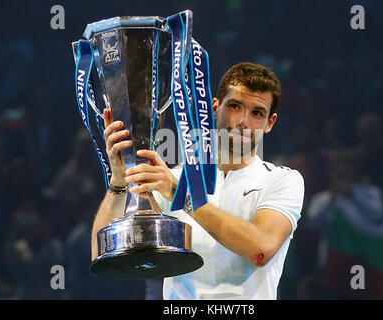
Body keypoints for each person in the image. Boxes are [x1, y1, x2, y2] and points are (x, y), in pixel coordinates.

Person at [91, 62, 305, 300]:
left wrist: (179, 194)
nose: (244, 121)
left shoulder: (282, 180)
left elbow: (260, 250)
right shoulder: (171, 178)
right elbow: (103, 250)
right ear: (215, 107)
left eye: (257, 113)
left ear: (270, 123)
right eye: (234, 106)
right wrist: (119, 180)